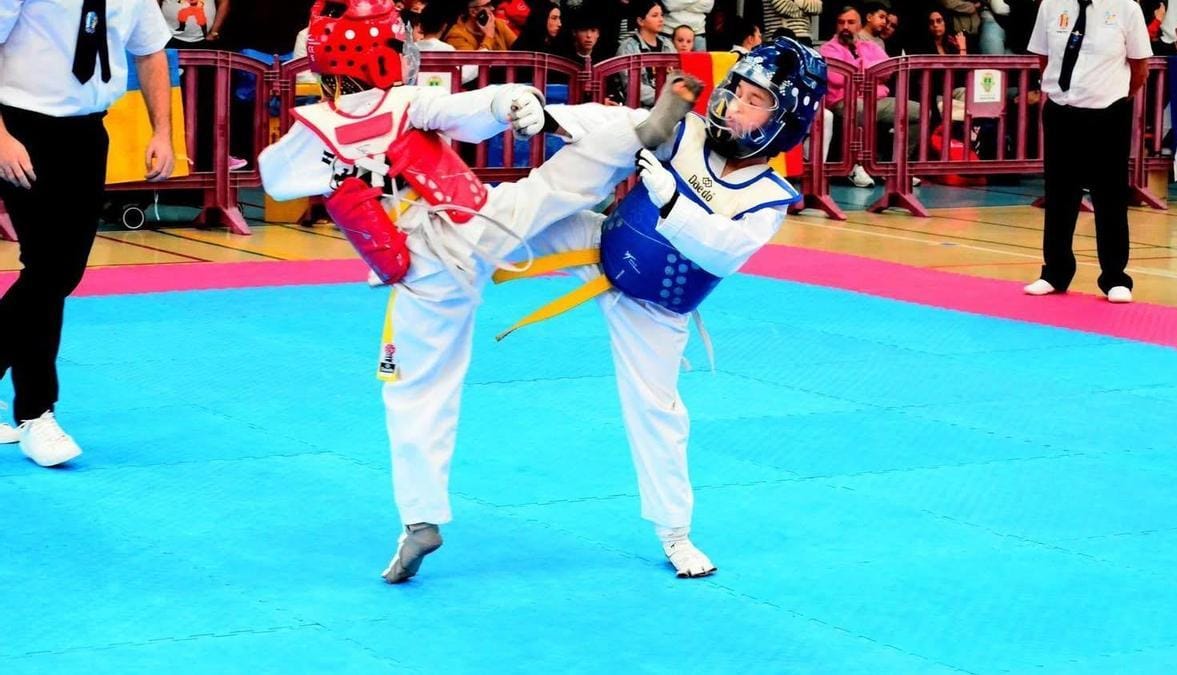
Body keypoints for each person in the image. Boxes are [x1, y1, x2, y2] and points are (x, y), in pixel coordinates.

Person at [258, 0, 704, 583]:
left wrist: (343, 163)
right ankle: (632, 137)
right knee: (554, 186)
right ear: (378, 55)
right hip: (479, 225)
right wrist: (510, 102)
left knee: (418, 392)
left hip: (423, 271)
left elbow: (275, 178)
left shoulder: (312, 127)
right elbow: (466, 111)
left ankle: (420, 519)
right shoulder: (406, 102)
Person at [494, 37, 826, 578]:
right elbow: (617, 123)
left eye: (754, 101)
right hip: (599, 245)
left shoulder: (768, 196)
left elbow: (723, 250)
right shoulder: (686, 131)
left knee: (658, 412)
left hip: (654, 310)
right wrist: (550, 116)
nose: (734, 106)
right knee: (510, 216)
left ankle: (675, 534)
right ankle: (421, 244)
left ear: (784, 121)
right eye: (735, 90)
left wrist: (672, 199)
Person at [0, 0, 175, 466]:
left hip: (88, 131)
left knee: (61, 273)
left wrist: (162, 132)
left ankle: (33, 410)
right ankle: (36, 413)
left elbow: (150, 51)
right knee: (46, 270)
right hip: (20, 125)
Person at [1023, 0, 1152, 303]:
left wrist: (1113, 96)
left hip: (1108, 113)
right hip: (1061, 111)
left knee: (1110, 196)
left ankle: (1115, 277)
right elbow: (1044, 57)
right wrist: (1063, 91)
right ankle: (1055, 272)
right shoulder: (1051, 5)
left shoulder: (1127, 8)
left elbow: (1140, 68)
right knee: (1059, 194)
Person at [819, 5, 921, 189]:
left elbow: (888, 70)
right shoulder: (828, 49)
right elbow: (838, 78)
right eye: (841, 22)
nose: (845, 27)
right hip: (843, 101)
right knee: (859, 109)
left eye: (851, 22)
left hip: (875, 99)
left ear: (859, 25)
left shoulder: (870, 46)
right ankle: (855, 167)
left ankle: (894, 167)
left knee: (918, 112)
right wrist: (869, 71)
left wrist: (858, 68)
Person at [616, 0, 676, 108]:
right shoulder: (628, 48)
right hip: (639, 110)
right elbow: (633, 88)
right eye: (655, 15)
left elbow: (677, 76)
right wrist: (664, 97)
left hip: (668, 106)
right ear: (640, 21)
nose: (661, 19)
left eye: (661, 15)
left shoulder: (667, 44)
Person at [445, 0, 518, 51]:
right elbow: (473, 65)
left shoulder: (498, 24)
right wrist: (489, 37)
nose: (492, 8)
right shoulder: (456, 35)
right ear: (473, 12)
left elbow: (519, 49)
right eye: (487, 5)